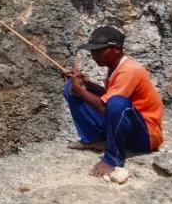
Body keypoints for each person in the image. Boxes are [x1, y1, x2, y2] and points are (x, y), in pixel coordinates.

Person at [63, 25, 164, 178]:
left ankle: (113, 159)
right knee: (70, 87)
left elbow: (108, 106)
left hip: (146, 136)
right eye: (92, 51)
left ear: (115, 49)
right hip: (126, 127)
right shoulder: (115, 67)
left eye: (98, 51)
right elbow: (107, 96)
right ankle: (95, 140)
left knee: (115, 103)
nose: (93, 55)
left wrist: (80, 90)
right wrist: (85, 84)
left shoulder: (129, 70)